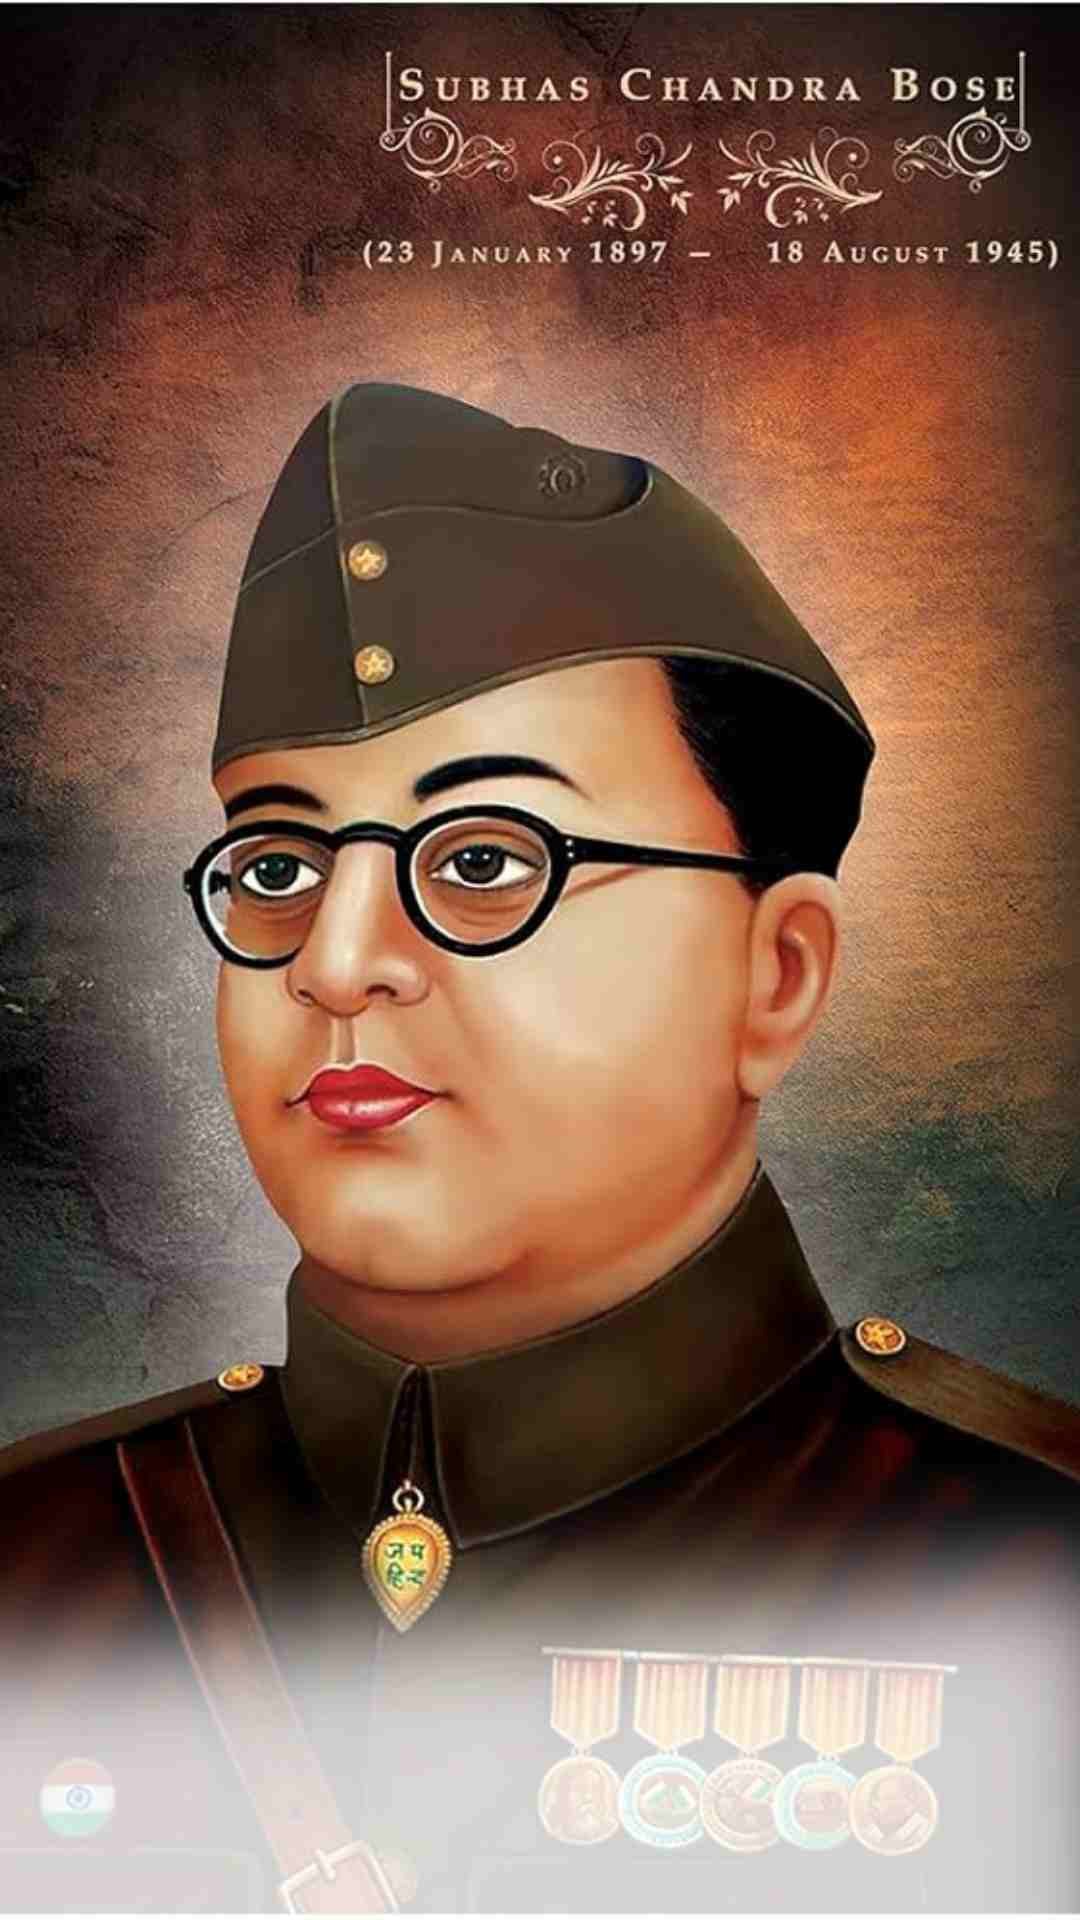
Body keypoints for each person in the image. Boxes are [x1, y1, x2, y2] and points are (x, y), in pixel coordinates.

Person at [1, 383, 1078, 1917]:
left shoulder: (1021, 1564)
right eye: (278, 866)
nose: (336, 961)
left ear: (776, 976)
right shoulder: (42, 1557)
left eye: (488, 858)